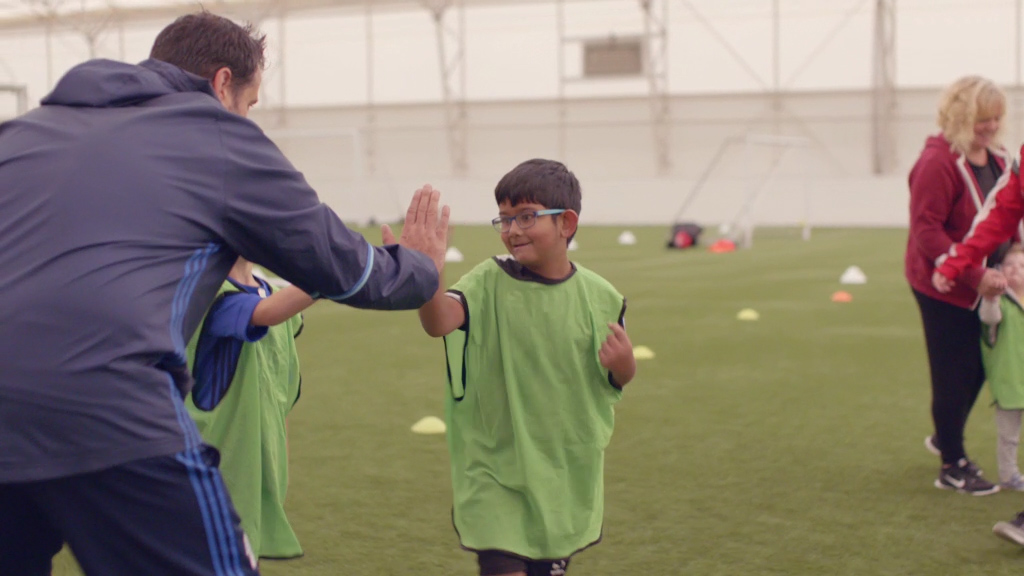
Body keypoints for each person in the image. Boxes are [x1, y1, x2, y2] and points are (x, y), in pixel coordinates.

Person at [0, 11, 449, 576]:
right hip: (109, 409)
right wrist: (419, 268)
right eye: (251, 101)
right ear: (221, 83)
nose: (248, 117)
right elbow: (344, 267)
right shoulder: (215, 136)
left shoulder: (21, 134)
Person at [417, 158, 636, 576]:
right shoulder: (488, 280)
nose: (511, 229)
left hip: (562, 473)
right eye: (503, 218)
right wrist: (430, 271)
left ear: (566, 223)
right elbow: (438, 323)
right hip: (495, 467)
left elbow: (616, 379)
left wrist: (625, 364)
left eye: (526, 217)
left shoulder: (602, 298)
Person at [906, 75, 1011, 495]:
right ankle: (953, 463)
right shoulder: (937, 162)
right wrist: (973, 274)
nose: (989, 126)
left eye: (996, 118)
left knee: (983, 367)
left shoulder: (999, 158)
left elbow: (1009, 212)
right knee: (954, 371)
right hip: (943, 284)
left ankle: (944, 433)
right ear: (960, 116)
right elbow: (926, 232)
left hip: (990, 283)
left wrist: (1015, 251)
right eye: (982, 119)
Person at [185, 257, 314, 561]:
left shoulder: (267, 290)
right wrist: (338, 272)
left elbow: (278, 394)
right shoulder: (209, 292)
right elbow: (264, 313)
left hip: (256, 470)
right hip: (212, 473)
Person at [979, 245, 1024, 492]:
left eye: (1022, 265)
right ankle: (1009, 475)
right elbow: (990, 319)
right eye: (1009, 265)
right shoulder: (1000, 303)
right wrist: (991, 296)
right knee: (1009, 436)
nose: (1016, 269)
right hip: (1009, 381)